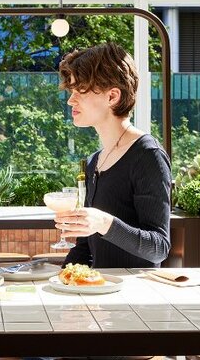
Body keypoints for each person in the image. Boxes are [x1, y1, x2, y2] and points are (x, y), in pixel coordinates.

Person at [54, 43, 171, 268]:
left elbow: (158, 248)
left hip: (137, 295)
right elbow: (85, 248)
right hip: (101, 292)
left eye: (80, 91)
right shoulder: (94, 162)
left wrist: (104, 222)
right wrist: (58, 280)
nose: (71, 100)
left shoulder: (148, 156)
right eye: (71, 92)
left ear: (112, 97)